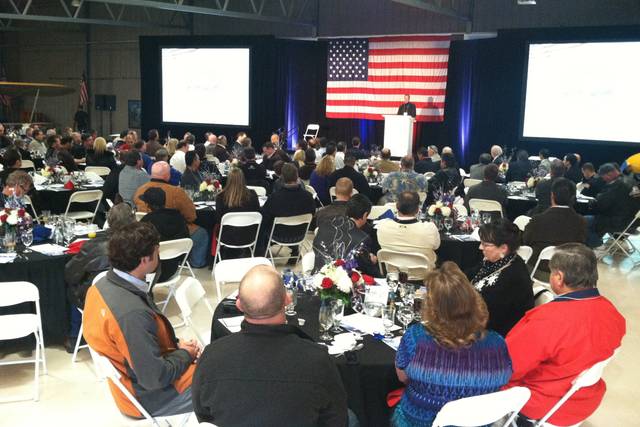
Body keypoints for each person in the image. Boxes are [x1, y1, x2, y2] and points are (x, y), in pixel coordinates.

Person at [193, 265, 348, 426]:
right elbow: (336, 419)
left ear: (239, 305)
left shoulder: (211, 356)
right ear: (287, 300)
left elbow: (203, 415)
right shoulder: (318, 359)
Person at [82, 222, 200, 419]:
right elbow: (155, 377)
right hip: (150, 398)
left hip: (136, 381)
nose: (159, 255)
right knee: (226, 383)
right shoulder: (131, 314)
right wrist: (185, 354)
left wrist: (176, 346)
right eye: (157, 251)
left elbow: (139, 346)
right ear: (145, 259)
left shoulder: (101, 285)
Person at [505, 244, 625, 426]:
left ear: (559, 278)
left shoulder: (547, 320)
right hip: (585, 398)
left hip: (541, 402)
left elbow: (507, 366)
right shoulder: (613, 313)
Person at [393, 262, 512, 427]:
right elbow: (504, 379)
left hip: (419, 421)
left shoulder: (415, 337)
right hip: (476, 423)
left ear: (432, 308)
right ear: (474, 301)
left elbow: (402, 377)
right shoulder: (498, 344)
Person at [64, 204, 135, 351]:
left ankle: (74, 337)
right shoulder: (142, 242)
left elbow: (70, 274)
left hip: (100, 297)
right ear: (133, 220)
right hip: (133, 295)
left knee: (73, 288)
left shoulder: (93, 245)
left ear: (109, 221)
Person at [133, 162, 209, 268]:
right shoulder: (176, 192)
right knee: (202, 233)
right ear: (168, 175)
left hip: (147, 233)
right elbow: (191, 216)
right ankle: (197, 262)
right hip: (174, 233)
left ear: (151, 174)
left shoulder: (139, 191)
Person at [469, 219, 533, 337]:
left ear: (503, 248)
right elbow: (468, 275)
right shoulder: (494, 262)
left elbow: (492, 314)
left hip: (496, 333)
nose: (480, 247)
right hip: (479, 319)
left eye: (485, 245)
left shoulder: (513, 275)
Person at [523, 178, 587, 267]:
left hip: (537, 270)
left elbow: (526, 241)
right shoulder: (581, 222)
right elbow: (580, 248)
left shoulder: (537, 220)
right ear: (573, 198)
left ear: (552, 195)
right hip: (567, 271)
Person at [260, 163, 315, 261]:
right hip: (299, 234)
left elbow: (265, 216)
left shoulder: (275, 198)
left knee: (262, 225)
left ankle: (261, 254)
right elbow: (312, 214)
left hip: (277, 234)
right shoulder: (308, 197)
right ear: (297, 176)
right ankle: (295, 250)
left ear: (282, 178)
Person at [313, 193, 378, 275]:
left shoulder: (324, 225)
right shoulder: (362, 239)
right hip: (342, 280)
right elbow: (365, 269)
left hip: (318, 276)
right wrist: (371, 260)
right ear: (365, 215)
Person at [377, 191, 440, 271]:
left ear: (396, 206)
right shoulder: (429, 229)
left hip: (394, 275)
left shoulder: (383, 226)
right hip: (425, 277)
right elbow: (436, 246)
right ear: (417, 209)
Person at [139, 187, 190, 282]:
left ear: (147, 205)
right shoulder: (178, 217)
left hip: (151, 272)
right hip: (173, 269)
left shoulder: (146, 222)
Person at [585, 163, 636, 248]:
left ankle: (596, 246)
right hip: (633, 222)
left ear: (610, 174)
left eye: (603, 177)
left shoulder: (616, 186)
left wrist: (593, 202)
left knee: (584, 221)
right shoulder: (632, 181)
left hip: (619, 222)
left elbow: (601, 204)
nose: (604, 180)